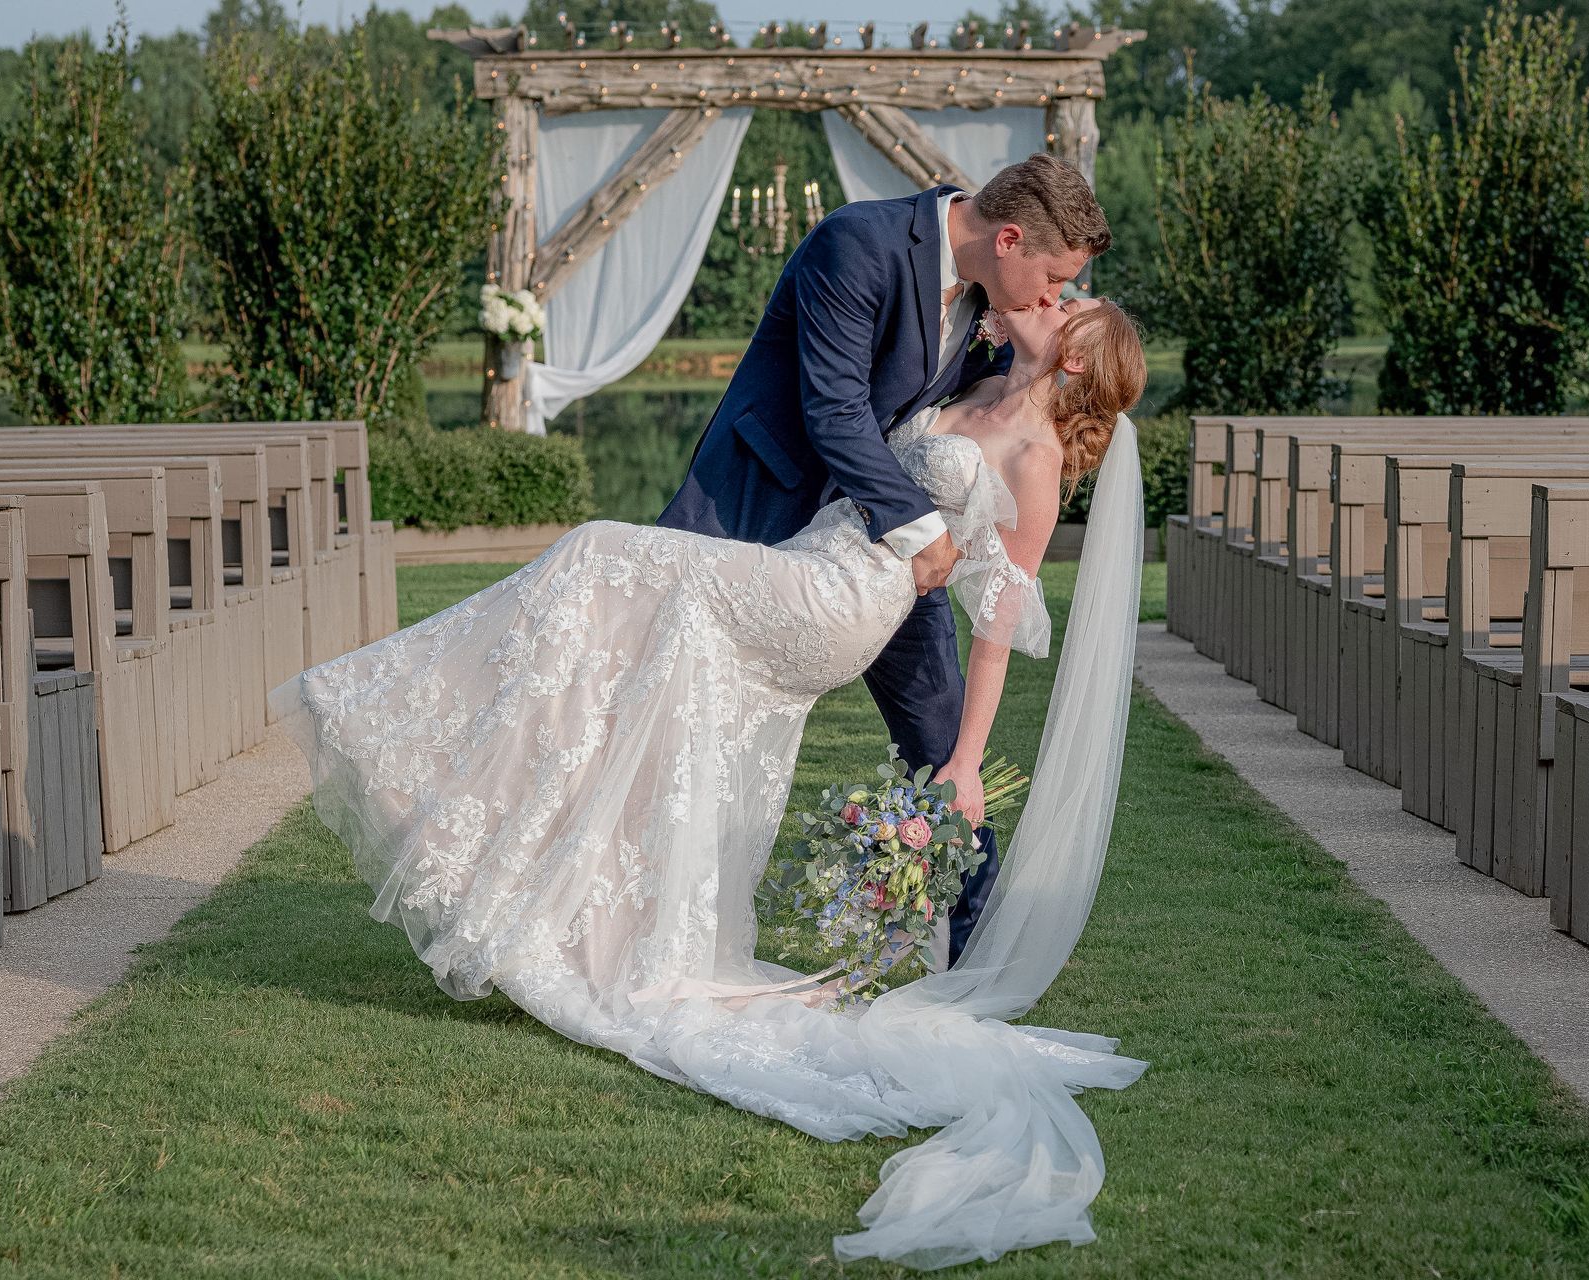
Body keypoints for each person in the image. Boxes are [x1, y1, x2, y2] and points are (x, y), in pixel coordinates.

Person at [273, 281, 1148, 1271]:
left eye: (1070, 300)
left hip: (839, 597)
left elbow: (992, 633)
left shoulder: (1033, 460)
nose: (1051, 292)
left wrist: (960, 761)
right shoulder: (973, 384)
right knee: (612, 643)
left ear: (1073, 358)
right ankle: (512, 843)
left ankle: (406, 737)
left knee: (598, 555)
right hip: (812, 558)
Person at [659, 153, 1111, 967]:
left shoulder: (993, 317)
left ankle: (975, 958)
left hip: (895, 566)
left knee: (944, 752)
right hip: (763, 502)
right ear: (1008, 238)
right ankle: (642, 903)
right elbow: (834, 410)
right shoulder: (860, 242)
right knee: (669, 698)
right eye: (1050, 280)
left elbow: (999, 436)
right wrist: (923, 529)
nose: (1051, 298)